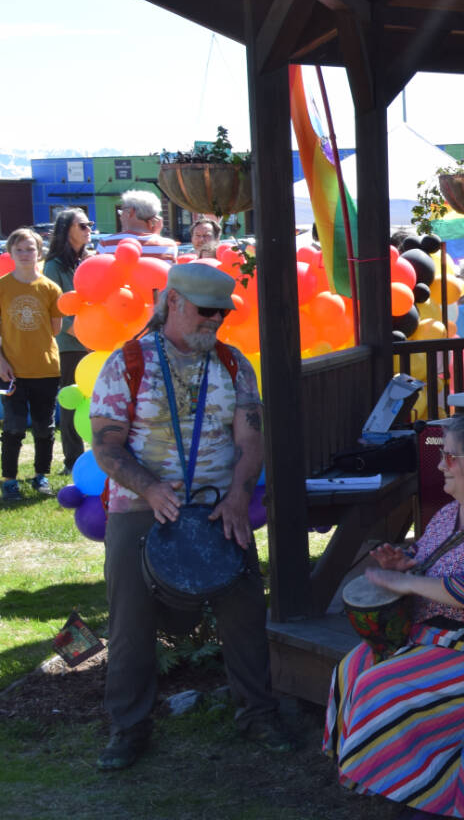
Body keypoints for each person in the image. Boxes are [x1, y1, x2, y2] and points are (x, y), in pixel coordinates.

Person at [89, 263, 290, 770]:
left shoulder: (233, 364)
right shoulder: (127, 362)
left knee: (244, 610)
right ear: (173, 302)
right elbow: (107, 448)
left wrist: (239, 496)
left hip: (220, 506)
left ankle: (258, 713)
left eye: (222, 313)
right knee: (130, 622)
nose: (215, 321)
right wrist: (151, 488)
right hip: (140, 507)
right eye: (206, 311)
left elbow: (250, 440)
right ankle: (129, 727)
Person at [324, 413, 464, 820]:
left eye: (450, 456)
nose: (441, 464)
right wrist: (406, 566)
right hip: (441, 637)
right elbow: (433, 565)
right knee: (352, 667)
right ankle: (398, 776)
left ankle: (432, 794)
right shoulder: (447, 516)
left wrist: (406, 586)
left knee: (383, 686)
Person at [0, 228, 64, 501]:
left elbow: (55, 329)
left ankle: (41, 476)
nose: (26, 254)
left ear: (40, 252)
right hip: (10, 369)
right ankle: (9, 480)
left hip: (45, 368)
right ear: (11, 253)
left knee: (44, 427)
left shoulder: (51, 288)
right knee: (12, 427)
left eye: (31, 249)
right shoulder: (2, 286)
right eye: (20, 250)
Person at [44, 210, 95, 473]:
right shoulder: (53, 266)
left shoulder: (89, 261)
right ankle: (72, 460)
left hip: (95, 345)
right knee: (71, 399)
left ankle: (100, 456)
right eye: (82, 225)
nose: (88, 229)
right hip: (70, 344)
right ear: (67, 230)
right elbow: (57, 312)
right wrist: (86, 338)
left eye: (90, 224)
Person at [97, 189, 179, 262]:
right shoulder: (169, 245)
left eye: (121, 212)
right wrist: (156, 236)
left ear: (130, 212)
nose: (120, 216)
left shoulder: (106, 243)